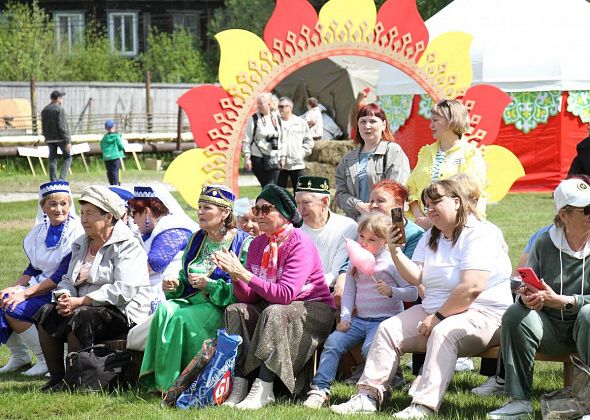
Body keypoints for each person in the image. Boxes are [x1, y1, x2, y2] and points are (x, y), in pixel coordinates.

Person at [331, 179, 512, 418]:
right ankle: (368, 395)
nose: (430, 209)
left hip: (482, 313)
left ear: (457, 202)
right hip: (434, 310)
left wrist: (437, 318)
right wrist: (395, 250)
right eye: (427, 204)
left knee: (443, 332)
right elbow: (416, 276)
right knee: (388, 329)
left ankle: (423, 405)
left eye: (436, 202)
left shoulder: (479, 234)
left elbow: (471, 287)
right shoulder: (432, 236)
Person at [214, 184, 336, 410]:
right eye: (256, 209)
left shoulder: (300, 243)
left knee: (274, 312)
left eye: (266, 209)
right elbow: (249, 298)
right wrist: (235, 276)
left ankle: (265, 386)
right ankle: (240, 382)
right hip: (275, 305)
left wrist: (245, 274)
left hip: (313, 308)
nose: (259, 215)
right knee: (236, 310)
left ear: (284, 213)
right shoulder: (258, 243)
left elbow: (286, 294)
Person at [487, 178, 590, 419]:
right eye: (585, 210)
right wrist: (528, 298)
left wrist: (567, 301)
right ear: (563, 215)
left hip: (585, 325)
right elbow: (527, 284)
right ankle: (519, 401)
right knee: (515, 313)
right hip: (550, 329)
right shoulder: (545, 242)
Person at [33, 185, 153, 391]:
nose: (83, 219)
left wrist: (82, 301)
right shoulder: (82, 243)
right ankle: (57, 378)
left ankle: (75, 381)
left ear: (108, 217)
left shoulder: (128, 244)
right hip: (83, 305)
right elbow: (67, 279)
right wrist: (64, 297)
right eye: (82, 213)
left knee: (82, 316)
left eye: (90, 213)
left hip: (123, 311)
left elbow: (124, 289)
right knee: (46, 312)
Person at [138, 185, 252, 392]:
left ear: (225, 212)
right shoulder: (197, 238)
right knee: (165, 309)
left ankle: (175, 383)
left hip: (218, 306)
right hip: (192, 299)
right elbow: (184, 278)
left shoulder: (242, 242)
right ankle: (158, 380)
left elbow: (242, 288)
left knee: (181, 318)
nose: (200, 212)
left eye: (207, 207)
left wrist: (210, 285)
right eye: (199, 207)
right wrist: (174, 285)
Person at [303, 213, 417, 409]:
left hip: (384, 321)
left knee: (369, 349)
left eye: (371, 239)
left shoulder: (392, 263)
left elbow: (413, 293)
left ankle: (378, 387)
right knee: (333, 342)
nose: (363, 243)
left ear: (384, 241)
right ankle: (320, 389)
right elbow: (349, 291)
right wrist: (346, 316)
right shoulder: (356, 261)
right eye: (361, 237)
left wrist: (392, 291)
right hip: (359, 319)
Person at [0, 181, 83, 376]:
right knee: (3, 298)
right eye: (52, 204)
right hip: (42, 284)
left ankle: (46, 358)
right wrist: (13, 288)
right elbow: (33, 268)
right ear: (42, 206)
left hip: (63, 288)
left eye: (64, 203)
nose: (58, 209)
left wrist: (24, 295)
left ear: (70, 204)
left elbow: (60, 275)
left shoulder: (76, 233)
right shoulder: (40, 231)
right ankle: (20, 355)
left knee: (13, 308)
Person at [407, 99, 487, 230]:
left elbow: (472, 195)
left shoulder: (470, 154)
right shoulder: (426, 152)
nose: (430, 125)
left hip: (457, 229)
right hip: (425, 230)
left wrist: (436, 222)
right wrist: (420, 218)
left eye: (435, 120)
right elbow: (411, 188)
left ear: (452, 120)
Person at [335, 103, 410, 221]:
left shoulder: (393, 151)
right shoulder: (347, 160)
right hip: (356, 223)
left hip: (385, 222)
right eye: (363, 121)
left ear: (383, 125)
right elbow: (339, 195)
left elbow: (398, 193)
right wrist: (358, 205)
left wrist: (397, 227)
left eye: (373, 121)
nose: (367, 126)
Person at [129, 185, 198, 311]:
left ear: (146, 212)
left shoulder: (172, 228)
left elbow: (153, 264)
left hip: (171, 292)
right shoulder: (153, 231)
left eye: (134, 213)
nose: (133, 221)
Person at [295, 176, 357, 296]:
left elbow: (336, 273)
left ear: (324, 202)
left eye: (306, 203)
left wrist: (299, 289)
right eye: (298, 203)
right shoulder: (294, 230)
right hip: (294, 292)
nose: (300, 209)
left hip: (328, 294)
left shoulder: (347, 227)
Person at [365, 179, 425, 259]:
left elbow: (408, 268)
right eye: (371, 201)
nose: (373, 205)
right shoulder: (367, 228)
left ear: (398, 205)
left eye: (380, 201)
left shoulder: (415, 234)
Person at [242, 92, 283, 187]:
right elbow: (246, 140)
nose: (259, 106)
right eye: (258, 103)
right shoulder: (254, 119)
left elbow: (283, 138)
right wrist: (247, 158)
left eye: (261, 103)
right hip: (258, 157)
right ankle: (264, 201)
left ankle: (266, 201)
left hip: (274, 156)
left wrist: (283, 156)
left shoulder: (276, 117)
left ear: (269, 104)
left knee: (274, 186)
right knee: (268, 185)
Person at [277, 97, 314, 194]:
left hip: (297, 164)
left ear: (291, 107)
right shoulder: (275, 123)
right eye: (280, 107)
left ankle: (298, 210)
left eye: (285, 106)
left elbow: (309, 141)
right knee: (279, 193)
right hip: (280, 165)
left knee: (300, 193)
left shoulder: (301, 122)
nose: (282, 109)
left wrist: (301, 153)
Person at [41, 90, 71, 181]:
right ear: (58, 99)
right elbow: (62, 126)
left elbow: (43, 125)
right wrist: (67, 140)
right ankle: (62, 179)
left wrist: (46, 137)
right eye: (61, 97)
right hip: (60, 139)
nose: (62, 99)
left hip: (49, 139)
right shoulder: (59, 109)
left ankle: (53, 180)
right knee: (68, 157)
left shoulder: (44, 110)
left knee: (52, 159)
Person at [100, 119, 125, 186]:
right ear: (114, 127)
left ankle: (111, 183)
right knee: (115, 171)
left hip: (107, 157)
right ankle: (116, 184)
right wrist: (122, 148)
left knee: (109, 171)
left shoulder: (104, 138)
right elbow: (120, 145)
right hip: (115, 156)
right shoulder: (116, 136)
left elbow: (102, 145)